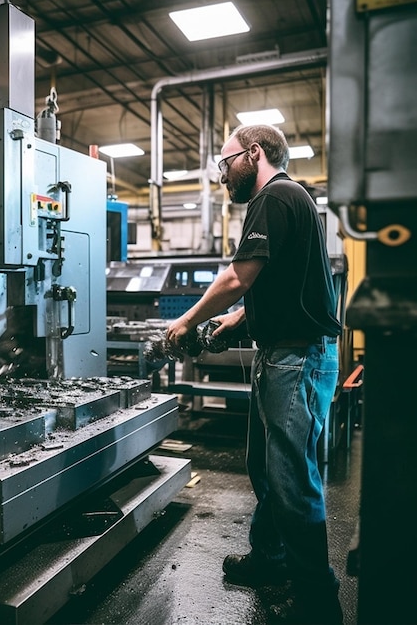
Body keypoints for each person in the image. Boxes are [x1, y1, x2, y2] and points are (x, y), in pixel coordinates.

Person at [166, 124, 343, 625]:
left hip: (296, 359)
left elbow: (238, 276)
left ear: (254, 154)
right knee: (265, 468)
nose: (223, 176)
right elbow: (282, 281)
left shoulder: (275, 196)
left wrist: (187, 321)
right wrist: (238, 319)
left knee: (291, 481)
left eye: (225, 164)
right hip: (283, 356)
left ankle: (317, 598)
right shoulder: (294, 200)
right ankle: (271, 559)